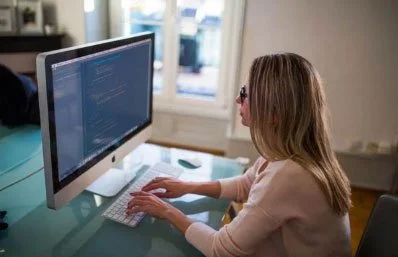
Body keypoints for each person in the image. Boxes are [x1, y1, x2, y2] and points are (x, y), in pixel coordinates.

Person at [126, 53, 352, 257]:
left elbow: (220, 249)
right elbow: (246, 184)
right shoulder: (294, 151)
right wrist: (187, 186)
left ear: (273, 113)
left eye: (244, 94)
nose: (237, 100)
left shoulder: (289, 175)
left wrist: (165, 210)